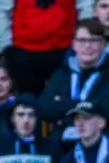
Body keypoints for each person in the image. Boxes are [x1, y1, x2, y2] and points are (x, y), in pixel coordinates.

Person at [40, 19, 109, 154]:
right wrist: (86, 106)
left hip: (101, 148)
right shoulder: (62, 73)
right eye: (82, 40)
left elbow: (106, 108)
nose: (87, 46)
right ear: (74, 45)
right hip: (62, 146)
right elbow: (44, 108)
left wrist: (63, 106)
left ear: (103, 44)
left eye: (94, 41)